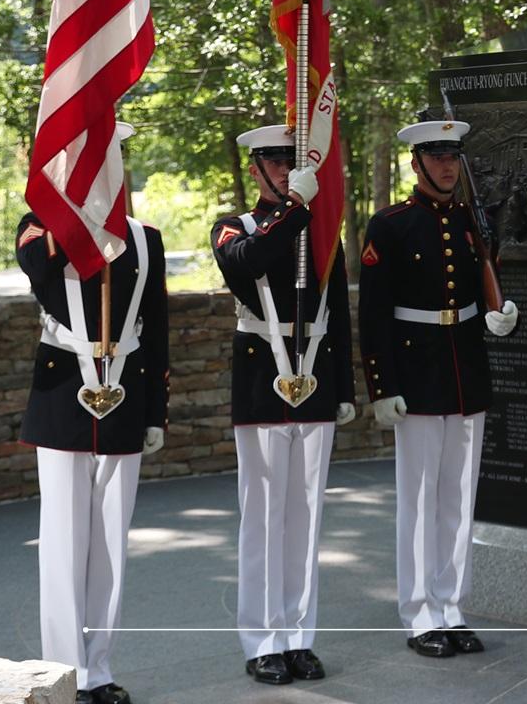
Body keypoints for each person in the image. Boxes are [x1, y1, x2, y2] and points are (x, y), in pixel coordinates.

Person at [15, 121, 169, 704]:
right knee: (62, 545)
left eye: (110, 157)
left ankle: (98, 669)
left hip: (124, 399)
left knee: (109, 546)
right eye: (90, 159)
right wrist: (74, 216)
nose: (105, 170)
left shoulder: (145, 238)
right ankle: (64, 674)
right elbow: (39, 273)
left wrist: (156, 411)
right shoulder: (38, 229)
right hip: (62, 401)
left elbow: (156, 332)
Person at [358, 116, 519, 658]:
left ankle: (452, 606)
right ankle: (419, 611)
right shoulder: (391, 225)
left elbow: (481, 287)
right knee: (420, 499)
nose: (448, 165)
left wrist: (499, 314)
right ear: (416, 162)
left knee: (458, 499)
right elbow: (374, 313)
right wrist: (382, 385)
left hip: (464, 370)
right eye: (437, 156)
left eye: (453, 156)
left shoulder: (473, 222)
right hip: (418, 372)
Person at [211, 124, 358, 687]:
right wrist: (298, 208)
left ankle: (299, 637)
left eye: (289, 162)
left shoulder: (321, 232)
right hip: (263, 381)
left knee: (306, 517)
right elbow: (247, 263)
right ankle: (262, 640)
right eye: (272, 162)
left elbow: (339, 316)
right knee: (265, 518)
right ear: (256, 169)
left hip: (314, 376)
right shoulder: (234, 227)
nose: (281, 170)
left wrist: (343, 389)